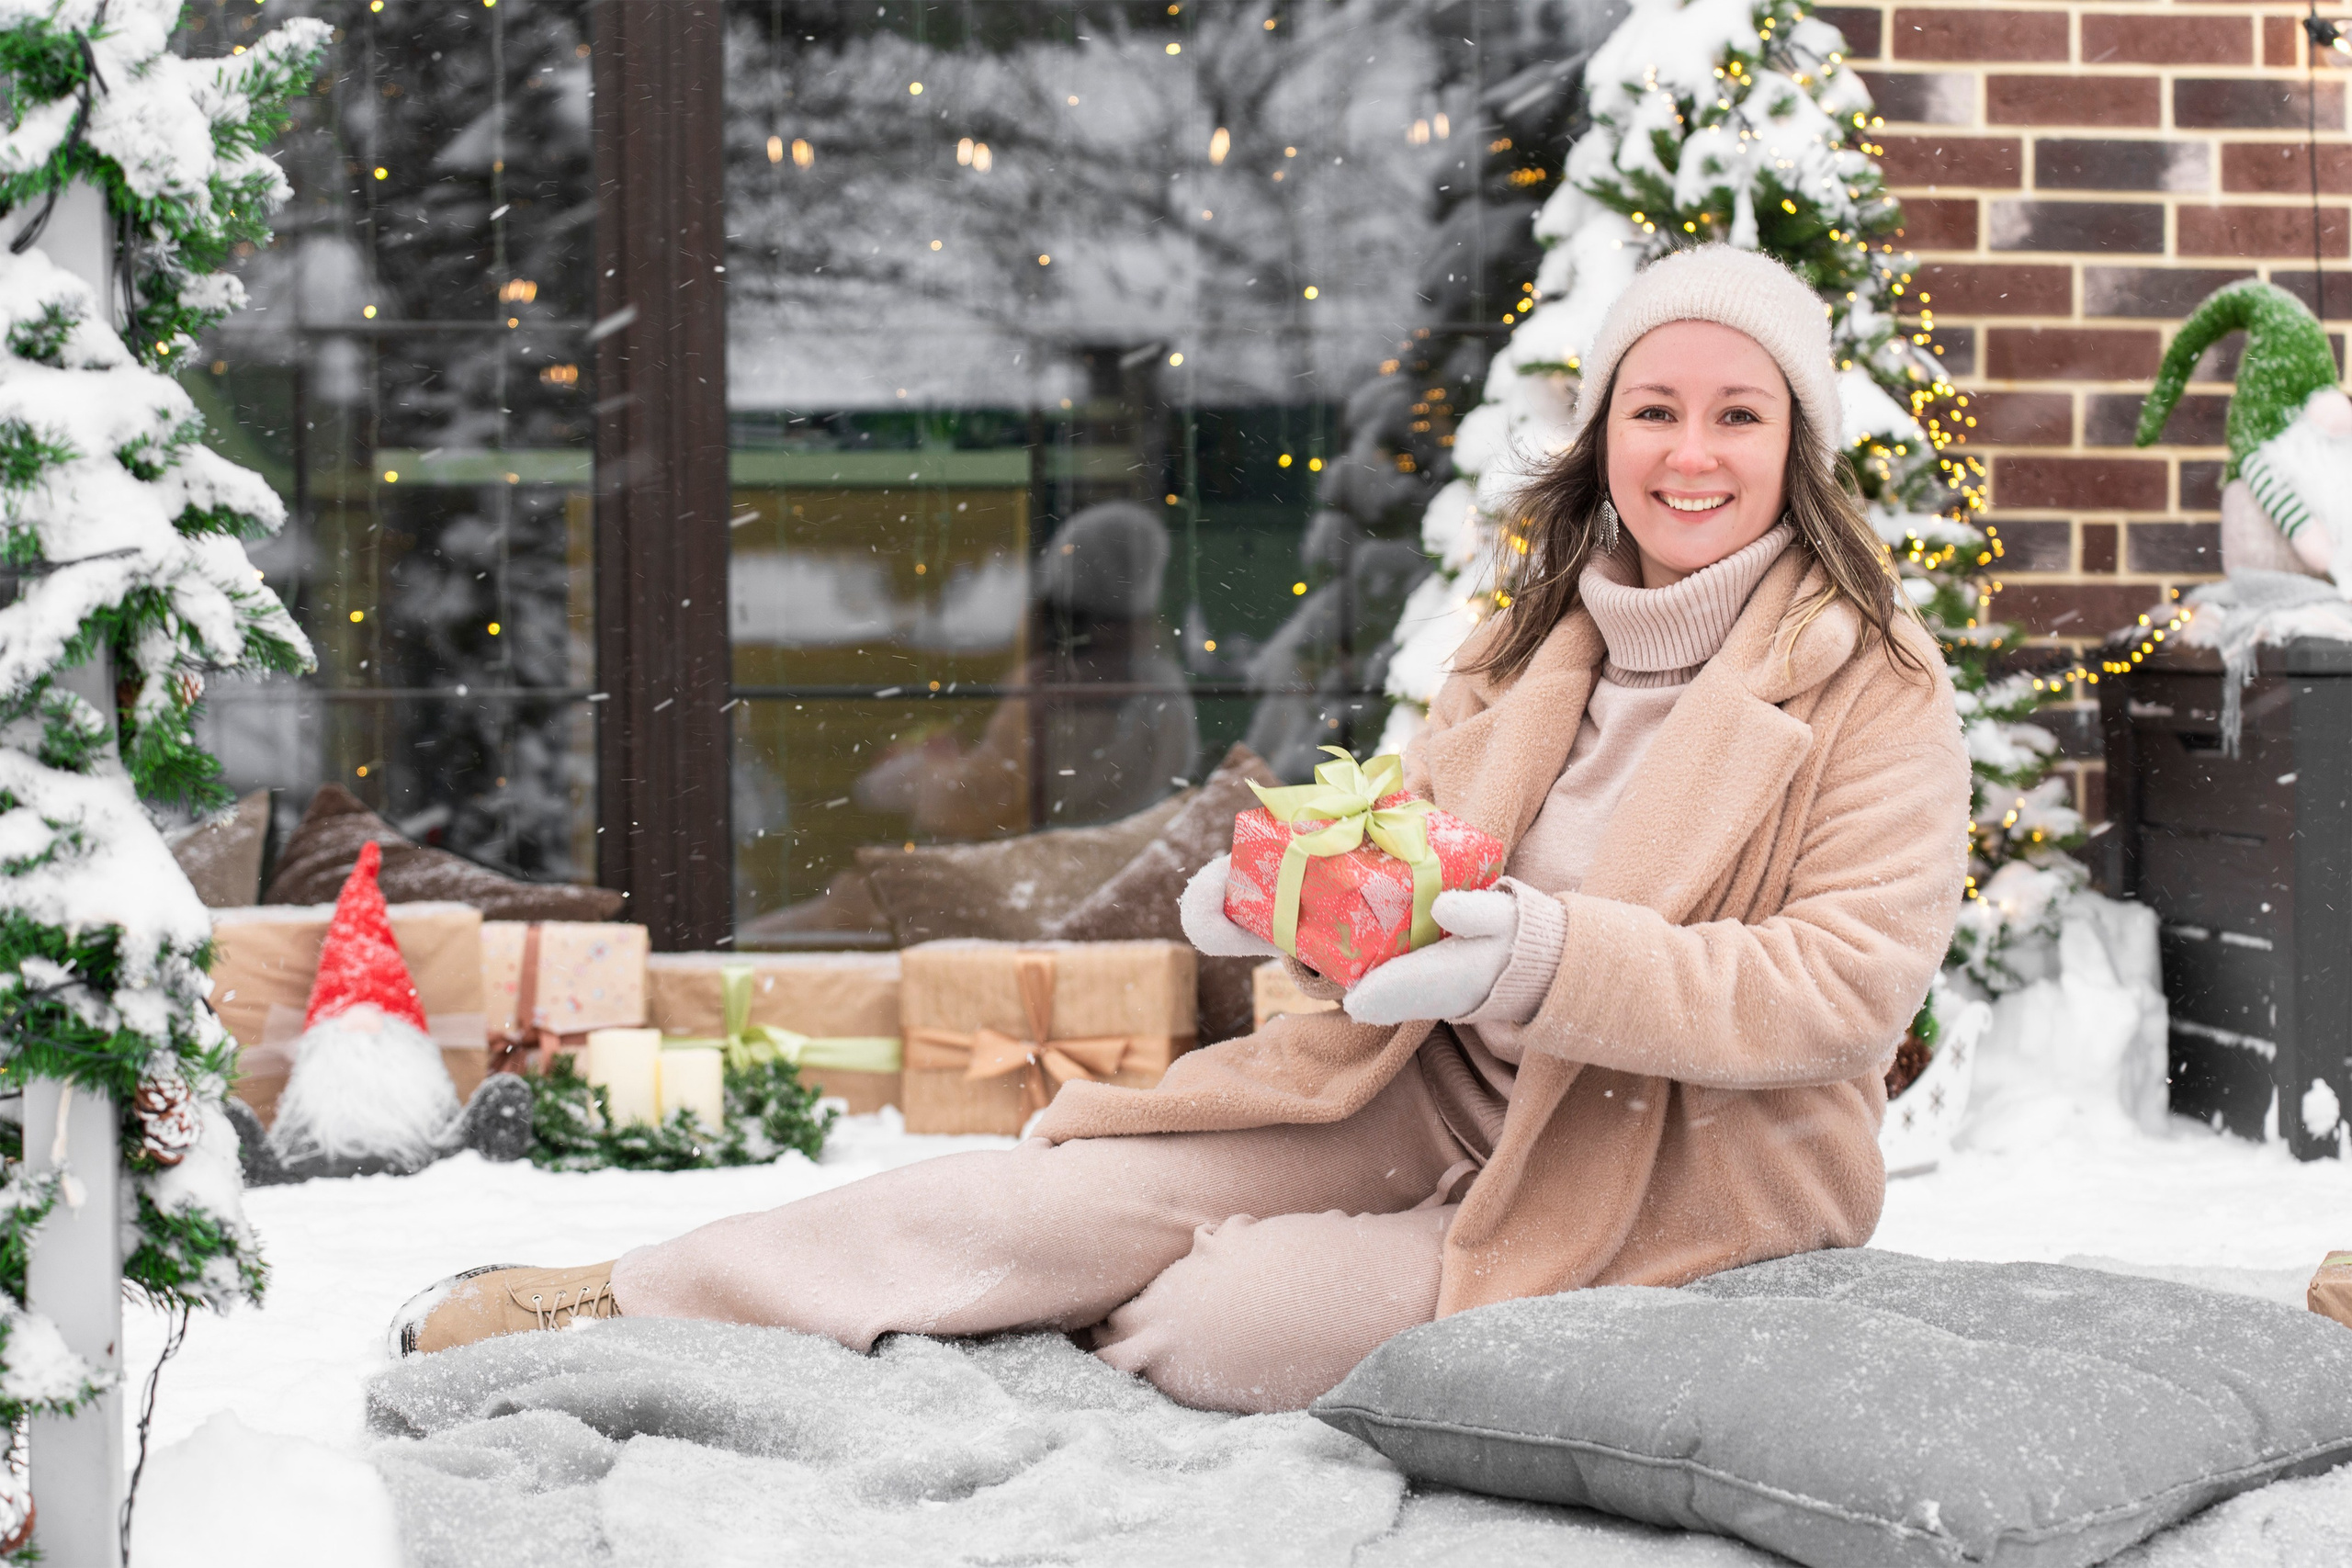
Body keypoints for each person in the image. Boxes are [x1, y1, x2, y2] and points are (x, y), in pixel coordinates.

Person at [390, 248, 1971, 1415]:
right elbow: (1417, 873)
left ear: (1795, 448)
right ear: (1606, 435)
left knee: (1220, 1329)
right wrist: (1289, 907)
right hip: (1422, 1098)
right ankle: (622, 1300)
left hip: (1669, 1166)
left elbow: (1842, 994)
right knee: (1043, 1204)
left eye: (1738, 416)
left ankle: (966, 1355)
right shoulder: (1526, 647)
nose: (1691, 454)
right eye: (1657, 410)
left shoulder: (1876, 686)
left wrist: (1541, 959)